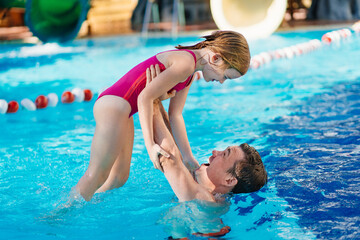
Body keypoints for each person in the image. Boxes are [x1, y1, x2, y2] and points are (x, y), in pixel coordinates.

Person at [74, 30, 251, 201]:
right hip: (115, 105)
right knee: (97, 174)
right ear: (216, 58)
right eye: (225, 76)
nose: (221, 82)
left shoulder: (189, 74)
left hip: (124, 108)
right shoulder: (186, 63)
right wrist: (150, 145)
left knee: (119, 178)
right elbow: (145, 97)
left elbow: (176, 115)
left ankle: (85, 201)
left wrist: (188, 157)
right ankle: (60, 213)